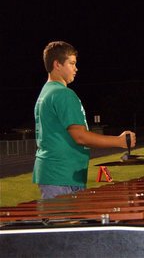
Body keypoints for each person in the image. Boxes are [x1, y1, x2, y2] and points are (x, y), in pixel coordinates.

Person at [33, 41, 136, 199]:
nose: (76, 68)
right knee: (63, 223)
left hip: (54, 173)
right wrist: (119, 141)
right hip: (63, 176)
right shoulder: (63, 94)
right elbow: (80, 136)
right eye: (72, 63)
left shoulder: (46, 92)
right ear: (57, 64)